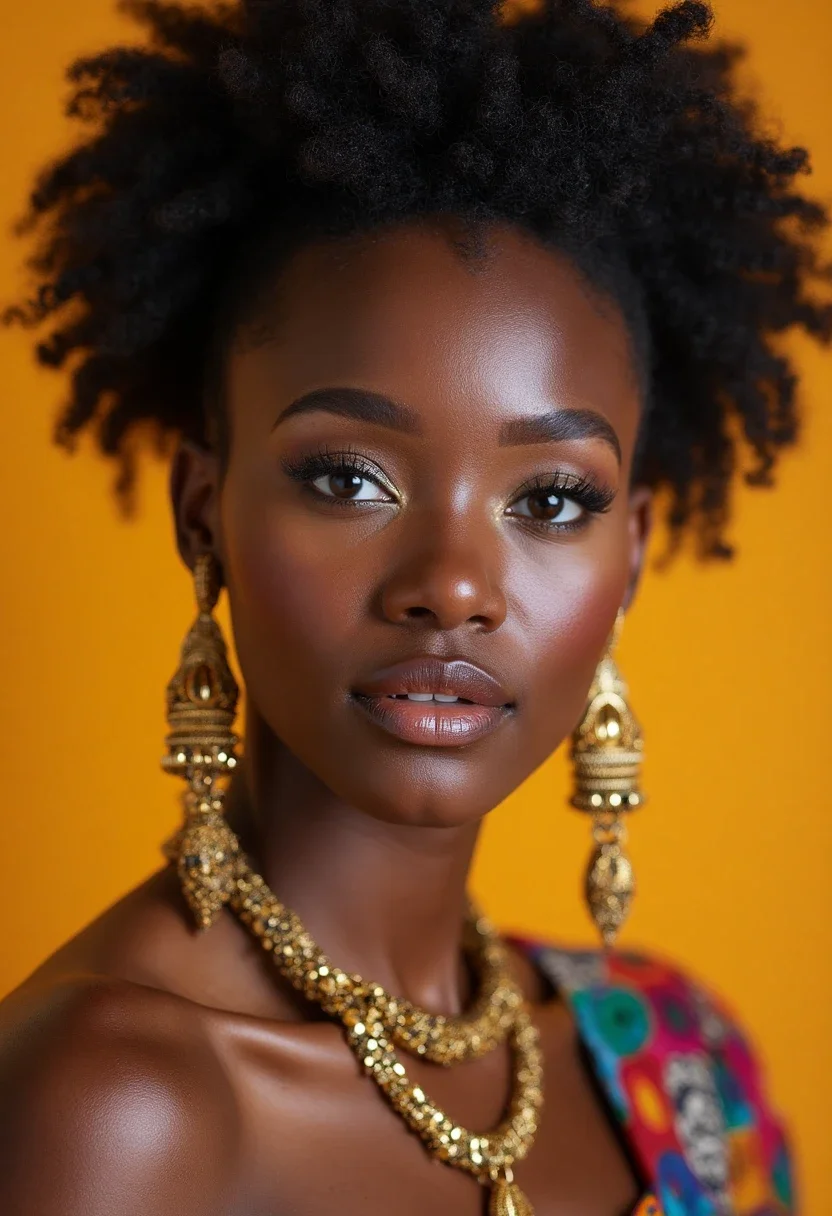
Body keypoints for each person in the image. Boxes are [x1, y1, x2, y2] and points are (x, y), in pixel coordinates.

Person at [0, 0, 827, 1212]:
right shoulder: (113, 1107)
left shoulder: (683, 1062)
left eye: (549, 498)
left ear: (633, 556)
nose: (451, 585)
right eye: (348, 478)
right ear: (204, 513)